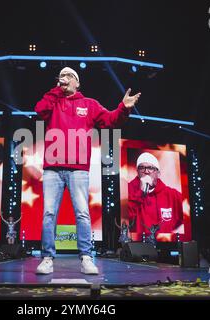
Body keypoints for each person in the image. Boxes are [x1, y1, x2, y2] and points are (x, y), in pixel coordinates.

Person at [35, 67, 141, 274]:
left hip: (78, 169)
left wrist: (124, 108)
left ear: (77, 82)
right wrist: (56, 90)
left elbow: (111, 120)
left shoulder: (89, 104)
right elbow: (39, 110)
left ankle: (86, 257)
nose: (63, 79)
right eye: (61, 76)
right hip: (52, 169)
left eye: (68, 76)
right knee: (48, 214)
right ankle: (47, 258)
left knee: (82, 213)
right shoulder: (53, 100)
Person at [128, 152, 183, 240]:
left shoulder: (172, 195)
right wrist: (140, 192)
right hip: (137, 245)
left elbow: (187, 219)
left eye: (150, 168)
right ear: (137, 172)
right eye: (142, 167)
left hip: (164, 244)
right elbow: (126, 218)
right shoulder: (127, 190)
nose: (146, 171)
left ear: (158, 173)